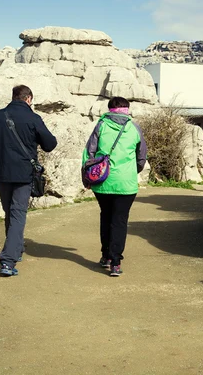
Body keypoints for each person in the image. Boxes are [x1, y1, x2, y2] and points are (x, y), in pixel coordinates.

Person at [0, 85, 57, 277]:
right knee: (17, 214)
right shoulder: (33, 118)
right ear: (29, 99)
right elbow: (50, 144)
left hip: (1, 173)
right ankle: (8, 261)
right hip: (24, 174)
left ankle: (15, 250)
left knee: (11, 211)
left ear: (14, 97)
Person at [83, 96, 147, 276]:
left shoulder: (101, 125)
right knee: (119, 221)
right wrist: (131, 171)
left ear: (109, 109)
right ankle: (116, 262)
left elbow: (89, 152)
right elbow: (141, 156)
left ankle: (106, 256)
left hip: (103, 180)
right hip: (126, 183)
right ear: (127, 109)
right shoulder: (134, 128)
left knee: (106, 217)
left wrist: (87, 177)